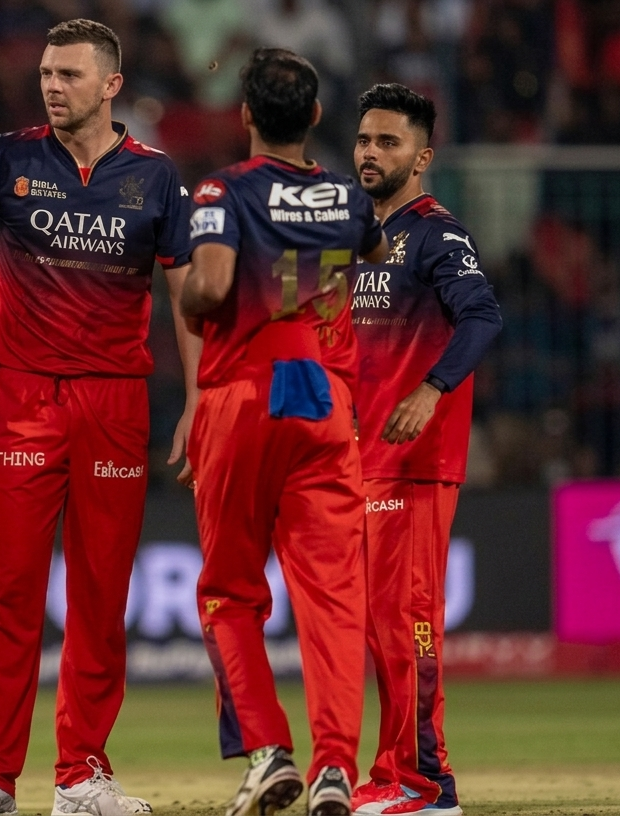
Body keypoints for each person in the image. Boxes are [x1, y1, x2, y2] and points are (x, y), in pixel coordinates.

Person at [0, 18, 198, 816]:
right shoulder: (6, 157)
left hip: (115, 400)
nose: (51, 85)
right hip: (24, 398)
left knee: (102, 598)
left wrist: (200, 400)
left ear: (111, 85)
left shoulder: (155, 177)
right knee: (12, 595)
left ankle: (82, 775)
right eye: (45, 72)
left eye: (68, 74)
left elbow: (187, 293)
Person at [179, 49, 387, 816]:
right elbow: (376, 249)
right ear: (316, 117)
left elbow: (209, 283)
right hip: (325, 397)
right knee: (333, 596)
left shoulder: (222, 189)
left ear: (245, 116)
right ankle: (336, 768)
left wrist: (192, 304)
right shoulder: (346, 196)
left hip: (244, 392)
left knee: (230, 590)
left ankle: (268, 753)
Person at [348, 84, 501, 816]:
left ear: (422, 157)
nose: (371, 153)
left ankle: (426, 783)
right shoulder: (352, 238)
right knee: (382, 628)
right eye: (364, 140)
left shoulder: (437, 234)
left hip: (414, 462)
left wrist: (432, 388)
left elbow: (483, 315)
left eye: (389, 142)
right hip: (359, 461)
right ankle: (393, 773)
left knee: (407, 620)